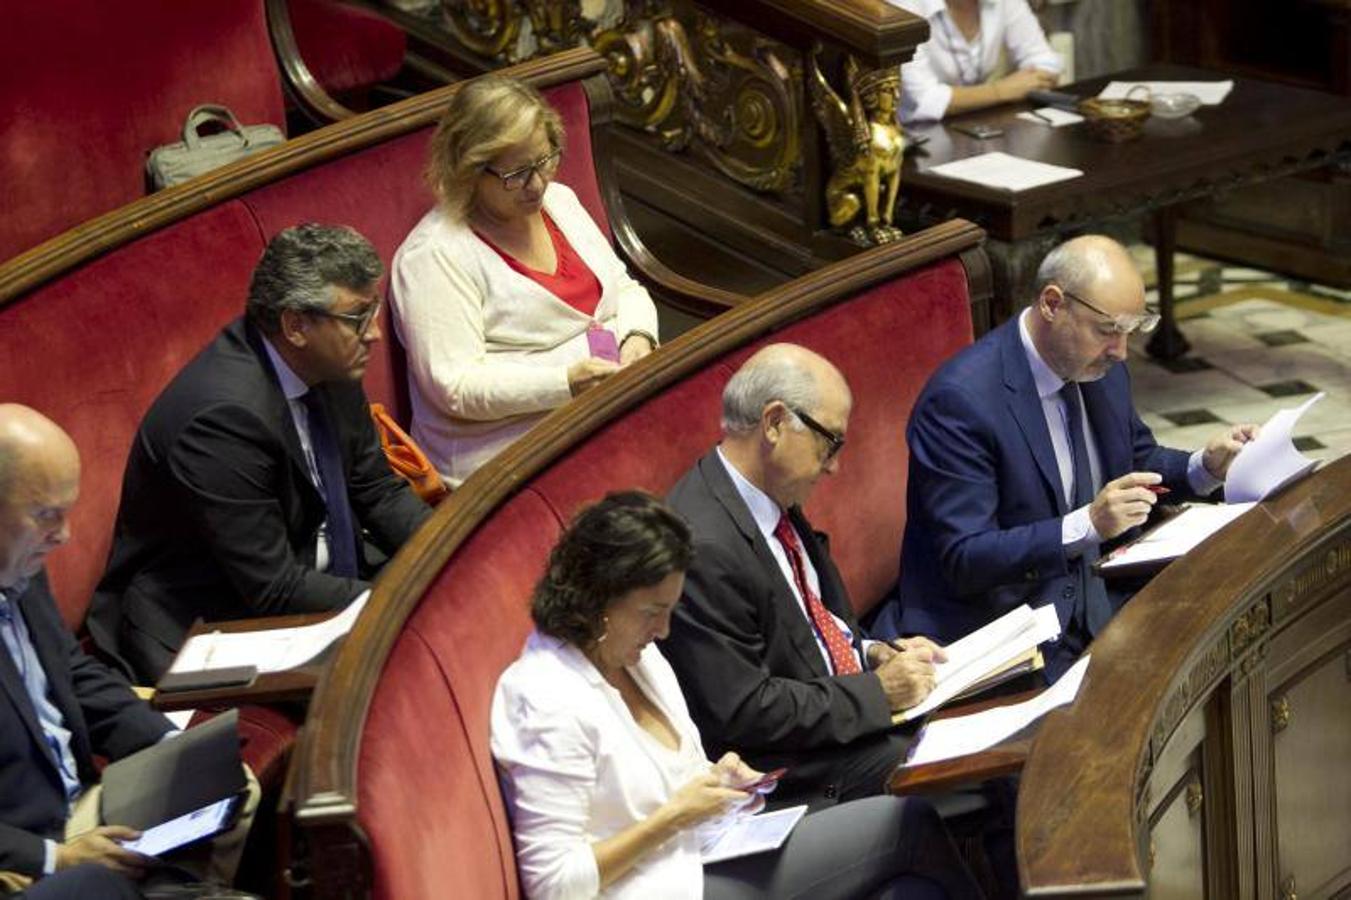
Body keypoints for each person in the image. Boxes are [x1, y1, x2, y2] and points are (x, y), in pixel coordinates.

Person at [491, 491, 979, 900]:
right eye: (652, 612)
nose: (663, 631)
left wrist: (719, 778)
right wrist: (675, 816)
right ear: (598, 597)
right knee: (907, 821)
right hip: (663, 886)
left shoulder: (633, 654)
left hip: (706, 849)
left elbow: (677, 775)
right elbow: (552, 884)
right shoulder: (544, 698)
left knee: (914, 891)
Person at [874, 235, 1258, 678]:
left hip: (1093, 599)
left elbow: (1136, 459)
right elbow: (965, 557)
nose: (1121, 350)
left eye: (1131, 331)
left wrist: (1204, 466)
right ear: (1053, 304)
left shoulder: (1100, 367)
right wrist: (1088, 525)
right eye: (1109, 330)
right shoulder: (961, 401)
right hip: (1000, 626)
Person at [90, 224, 431, 682]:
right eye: (357, 317)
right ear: (296, 325)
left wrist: (445, 556)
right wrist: (398, 605)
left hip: (317, 572)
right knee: (404, 673)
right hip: (214, 619)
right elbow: (273, 588)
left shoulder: (332, 361)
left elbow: (378, 490)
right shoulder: (221, 419)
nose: (373, 333)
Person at [660, 345, 944, 809]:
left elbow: (816, 624)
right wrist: (878, 692)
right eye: (829, 442)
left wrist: (873, 653)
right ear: (774, 423)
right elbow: (746, 710)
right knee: (971, 774)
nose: (834, 465)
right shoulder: (704, 546)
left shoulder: (771, 494)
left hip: (841, 722)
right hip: (800, 773)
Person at [0, 405, 258, 897]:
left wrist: (168, 746)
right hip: (31, 850)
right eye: (45, 516)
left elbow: (72, 672)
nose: (64, 536)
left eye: (67, 512)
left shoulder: (20, 565)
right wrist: (56, 858)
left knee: (233, 785)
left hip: (82, 799)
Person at [391, 74, 660, 487]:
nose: (537, 184)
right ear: (469, 170)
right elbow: (456, 386)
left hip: (601, 415)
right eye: (516, 173)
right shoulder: (433, 255)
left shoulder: (560, 201)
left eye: (544, 159)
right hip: (506, 458)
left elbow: (623, 288)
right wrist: (565, 382)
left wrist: (637, 338)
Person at [888, 0, 1061, 123]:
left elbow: (1046, 61)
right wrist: (1004, 90)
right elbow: (922, 100)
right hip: (914, 138)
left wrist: (1027, 83)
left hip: (978, 122)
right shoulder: (903, 4)